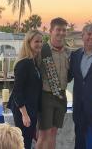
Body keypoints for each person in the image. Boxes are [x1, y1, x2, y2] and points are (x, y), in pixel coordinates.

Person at [36, 17, 70, 149]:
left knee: (54, 133)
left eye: (64, 30)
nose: (61, 33)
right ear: (51, 31)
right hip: (47, 97)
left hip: (61, 96)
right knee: (43, 134)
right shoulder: (42, 51)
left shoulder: (67, 52)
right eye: (58, 30)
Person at [7, 30, 42, 149]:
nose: (39, 44)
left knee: (27, 142)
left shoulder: (34, 62)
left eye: (41, 41)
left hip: (31, 108)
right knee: (23, 143)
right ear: (28, 43)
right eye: (36, 41)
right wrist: (25, 115)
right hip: (23, 109)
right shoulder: (23, 64)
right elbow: (17, 91)